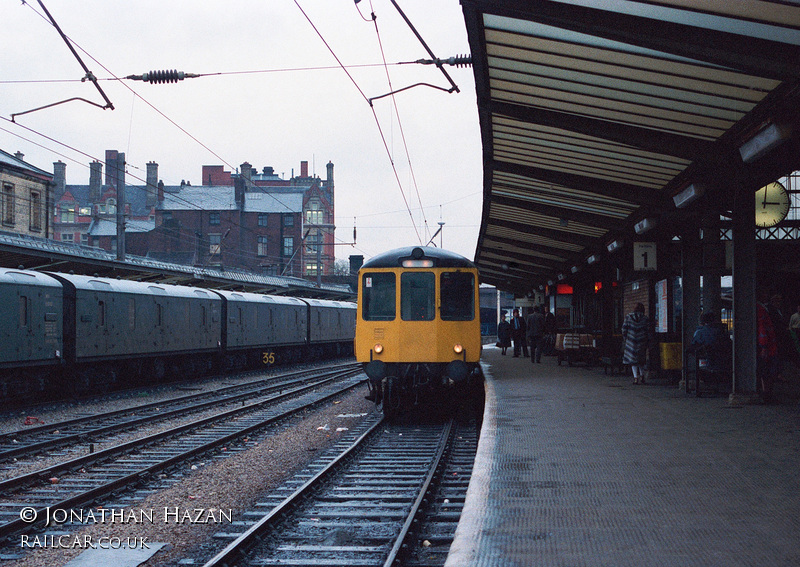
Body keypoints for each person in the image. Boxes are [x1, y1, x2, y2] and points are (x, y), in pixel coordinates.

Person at [691, 310, 732, 385]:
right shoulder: (721, 332)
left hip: (709, 362)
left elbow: (694, 345)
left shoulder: (700, 333)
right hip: (725, 362)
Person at [757, 291, 779, 399]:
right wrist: (764, 346)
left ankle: (765, 392)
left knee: (764, 369)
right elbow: (763, 329)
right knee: (768, 369)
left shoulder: (759, 309)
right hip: (769, 344)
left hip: (765, 344)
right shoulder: (762, 310)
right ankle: (767, 392)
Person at [622, 303, 651, 384]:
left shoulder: (628, 317)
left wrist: (626, 338)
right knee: (641, 360)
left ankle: (635, 378)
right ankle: (642, 376)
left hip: (631, 342)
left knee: (633, 361)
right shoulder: (645, 319)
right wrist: (648, 341)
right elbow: (648, 331)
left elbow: (624, 329)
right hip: (642, 342)